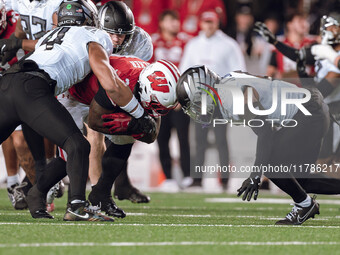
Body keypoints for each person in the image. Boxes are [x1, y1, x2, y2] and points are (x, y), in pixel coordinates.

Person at [0, 0, 148, 222]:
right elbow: (110, 83)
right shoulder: (97, 37)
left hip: (9, 82)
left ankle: (36, 196)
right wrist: (139, 114)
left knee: (71, 145)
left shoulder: (53, 34)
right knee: (78, 145)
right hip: (33, 88)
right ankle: (77, 205)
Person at [176, 65, 332, 225]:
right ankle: (305, 205)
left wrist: (254, 176)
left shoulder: (233, 97)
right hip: (310, 106)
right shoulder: (228, 82)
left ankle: (304, 205)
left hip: (308, 112)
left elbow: (265, 132)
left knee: (271, 163)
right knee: (299, 180)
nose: (196, 110)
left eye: (196, 103)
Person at [55, 56, 179, 217]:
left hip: (102, 97)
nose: (157, 110)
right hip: (74, 96)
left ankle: (101, 193)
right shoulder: (122, 80)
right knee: (76, 148)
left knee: (127, 138)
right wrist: (134, 123)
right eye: (155, 104)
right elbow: (94, 122)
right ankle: (45, 194)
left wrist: (132, 124)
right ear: (146, 89)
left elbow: (151, 135)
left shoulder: (151, 82)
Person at [63, 1, 153, 203]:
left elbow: (134, 77)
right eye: (111, 33)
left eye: (122, 34)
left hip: (117, 89)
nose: (116, 39)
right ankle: (88, 193)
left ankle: (108, 190)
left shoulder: (139, 42)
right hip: (84, 91)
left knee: (126, 135)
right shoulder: (89, 34)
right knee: (91, 138)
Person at [2, 0, 65, 211]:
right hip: (21, 77)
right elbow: (21, 28)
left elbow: (56, 41)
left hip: (49, 71)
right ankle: (39, 184)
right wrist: (10, 45)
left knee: (53, 131)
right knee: (19, 140)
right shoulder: (20, 5)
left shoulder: (56, 4)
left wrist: (15, 45)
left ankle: (51, 176)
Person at [179, 10, 245, 190]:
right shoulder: (193, 44)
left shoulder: (229, 45)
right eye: (206, 22)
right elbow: (185, 70)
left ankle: (224, 178)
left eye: (212, 22)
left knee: (221, 139)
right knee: (199, 139)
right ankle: (197, 178)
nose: (209, 26)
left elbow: (238, 71)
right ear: (201, 23)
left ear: (217, 23)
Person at [150, 9, 192, 191]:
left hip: (181, 99)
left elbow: (190, 69)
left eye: (176, 21)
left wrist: (181, 97)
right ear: (161, 23)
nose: (174, 24)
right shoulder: (152, 41)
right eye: (170, 21)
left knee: (184, 138)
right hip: (159, 99)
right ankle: (167, 177)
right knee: (162, 138)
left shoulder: (186, 41)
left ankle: (188, 176)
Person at [266, 11, 316, 81]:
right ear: (289, 24)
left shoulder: (313, 43)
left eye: (305, 21)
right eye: (300, 21)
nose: (304, 24)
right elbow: (270, 72)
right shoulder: (279, 45)